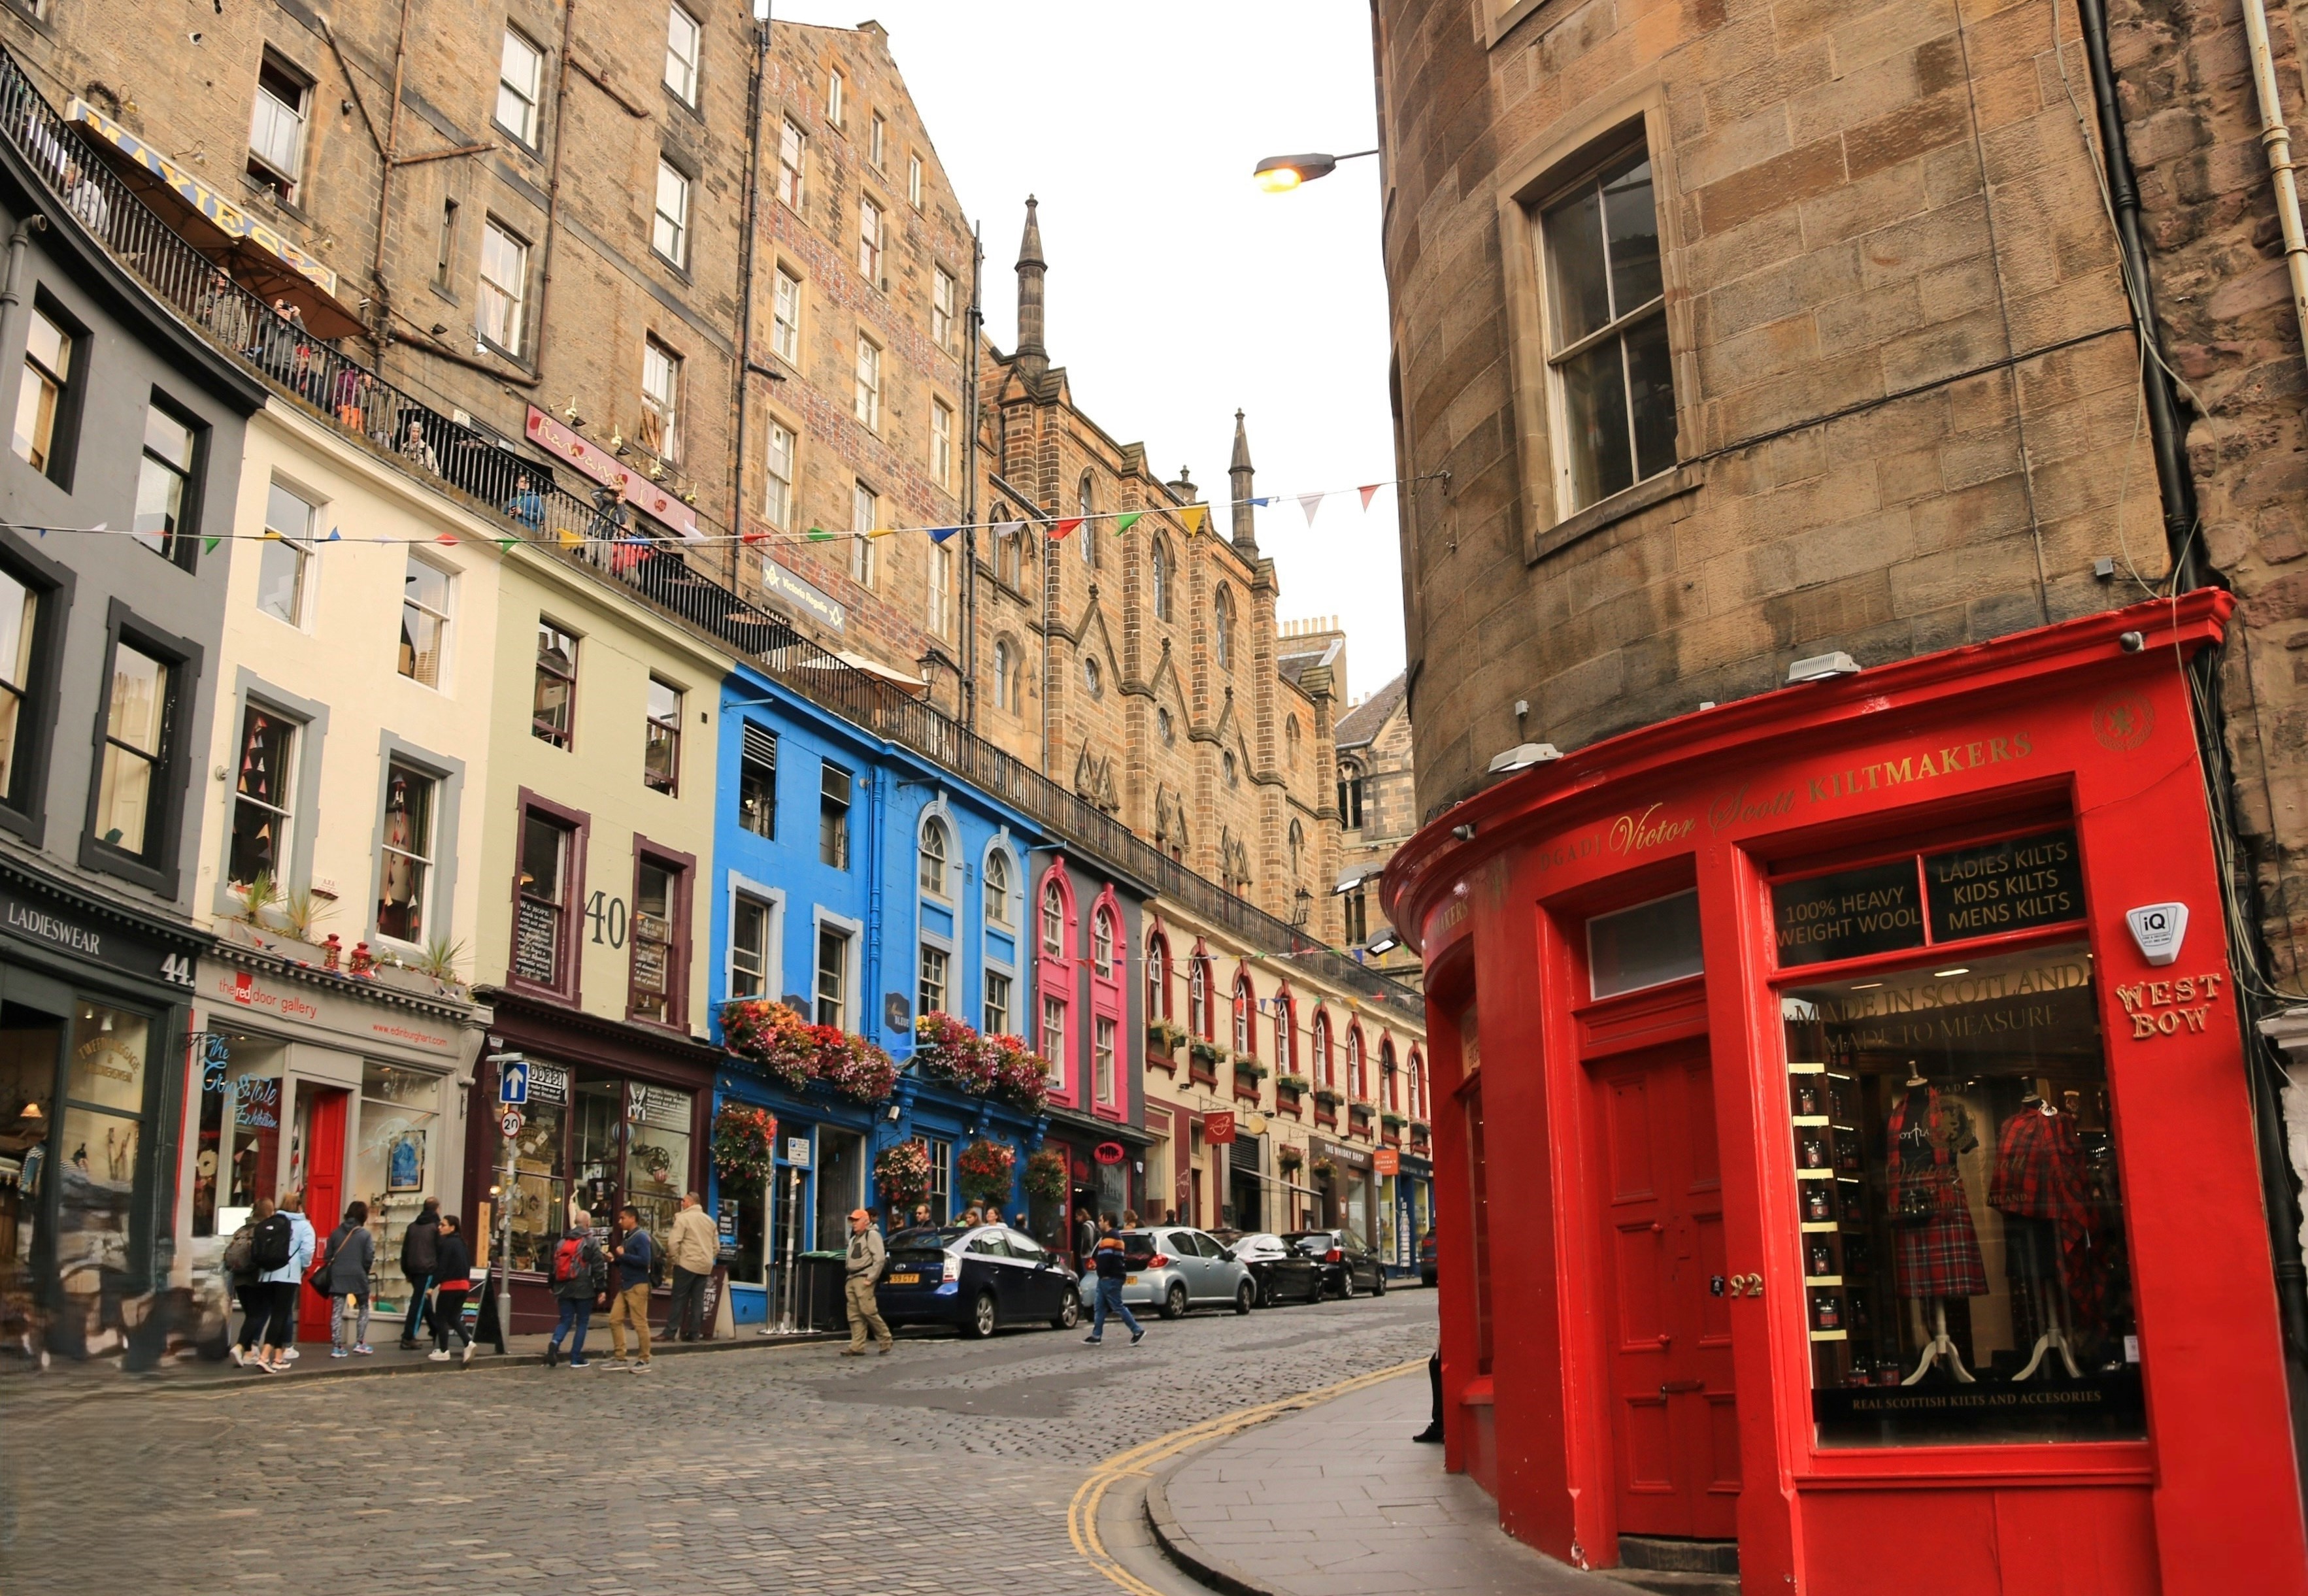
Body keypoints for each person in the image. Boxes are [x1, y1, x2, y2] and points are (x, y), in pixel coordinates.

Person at [255, 1190, 314, 1373]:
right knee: (280, 1316)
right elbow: (307, 1252)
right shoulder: (304, 1227)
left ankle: (278, 1358)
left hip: (267, 1275)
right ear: (299, 1207)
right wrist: (304, 1266)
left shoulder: (272, 1222)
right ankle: (265, 1356)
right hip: (288, 1276)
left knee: (276, 1314)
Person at [321, 1200, 377, 1357]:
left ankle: (337, 1346)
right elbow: (368, 1257)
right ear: (363, 1215)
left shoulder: (336, 1233)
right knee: (364, 1308)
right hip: (358, 1275)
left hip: (338, 1275)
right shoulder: (365, 1235)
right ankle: (360, 1342)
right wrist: (363, 1271)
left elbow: (327, 1257)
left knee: (337, 1311)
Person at [602, 1205, 654, 1371]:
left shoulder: (641, 1237)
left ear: (633, 1218)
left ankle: (645, 1360)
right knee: (614, 1319)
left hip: (638, 1285)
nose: (620, 1221)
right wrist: (613, 1260)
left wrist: (624, 1255)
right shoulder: (628, 1237)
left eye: (623, 1218)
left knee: (640, 1323)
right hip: (626, 1285)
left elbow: (644, 1261)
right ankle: (620, 1357)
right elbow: (627, 1261)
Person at [544, 1220, 603, 1369]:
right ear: (588, 1223)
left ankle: (555, 1343)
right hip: (584, 1288)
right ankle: (576, 1358)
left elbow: (554, 1265)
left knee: (565, 1320)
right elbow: (598, 1267)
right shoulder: (591, 1242)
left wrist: (551, 1285)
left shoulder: (563, 1241)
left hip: (563, 1287)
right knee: (582, 1322)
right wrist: (601, 1288)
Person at [225, 1197, 275, 1367]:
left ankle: (247, 1353)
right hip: (255, 1278)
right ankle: (240, 1347)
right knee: (257, 1315)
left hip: (239, 1278)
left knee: (250, 1315)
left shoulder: (242, 1229)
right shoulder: (263, 1230)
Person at [1083, 1214, 1145, 1347]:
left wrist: (1102, 1271)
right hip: (1107, 1277)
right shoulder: (1114, 1236)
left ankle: (1137, 1330)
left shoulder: (1110, 1237)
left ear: (1107, 1222)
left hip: (1110, 1277)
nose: (1099, 1223)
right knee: (1099, 1306)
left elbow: (1106, 1258)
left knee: (1117, 1305)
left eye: (1100, 1220)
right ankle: (1096, 1335)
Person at [664, 1191, 715, 1343]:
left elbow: (673, 1243)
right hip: (704, 1265)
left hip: (686, 1263)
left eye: (685, 1201)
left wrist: (675, 1259)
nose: (682, 1203)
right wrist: (708, 1258)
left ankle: (670, 1332)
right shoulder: (710, 1221)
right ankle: (694, 1333)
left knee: (679, 1299)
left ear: (692, 1203)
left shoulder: (683, 1218)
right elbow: (716, 1247)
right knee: (698, 1300)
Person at [841, 1207, 892, 1357]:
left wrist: (871, 1278)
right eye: (852, 1221)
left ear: (866, 1221)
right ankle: (857, 1346)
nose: (853, 1224)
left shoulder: (872, 1235)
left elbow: (880, 1259)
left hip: (863, 1277)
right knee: (854, 1314)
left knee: (868, 1310)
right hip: (852, 1278)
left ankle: (885, 1339)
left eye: (856, 1221)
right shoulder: (854, 1239)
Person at [427, 1215, 477, 1365]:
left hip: (450, 1286)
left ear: (452, 1227)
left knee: (441, 1318)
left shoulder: (447, 1244)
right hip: (464, 1286)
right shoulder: (462, 1244)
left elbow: (442, 1267)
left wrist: (431, 1287)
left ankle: (443, 1351)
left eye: (443, 1225)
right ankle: (469, 1343)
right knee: (454, 1317)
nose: (439, 1227)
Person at [397, 1197, 441, 1349]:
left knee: (424, 1301)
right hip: (427, 1268)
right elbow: (439, 1250)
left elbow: (405, 1250)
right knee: (418, 1303)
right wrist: (439, 1271)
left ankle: (436, 1330)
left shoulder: (412, 1227)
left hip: (413, 1267)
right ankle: (408, 1336)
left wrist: (406, 1270)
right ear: (437, 1209)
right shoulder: (436, 1227)